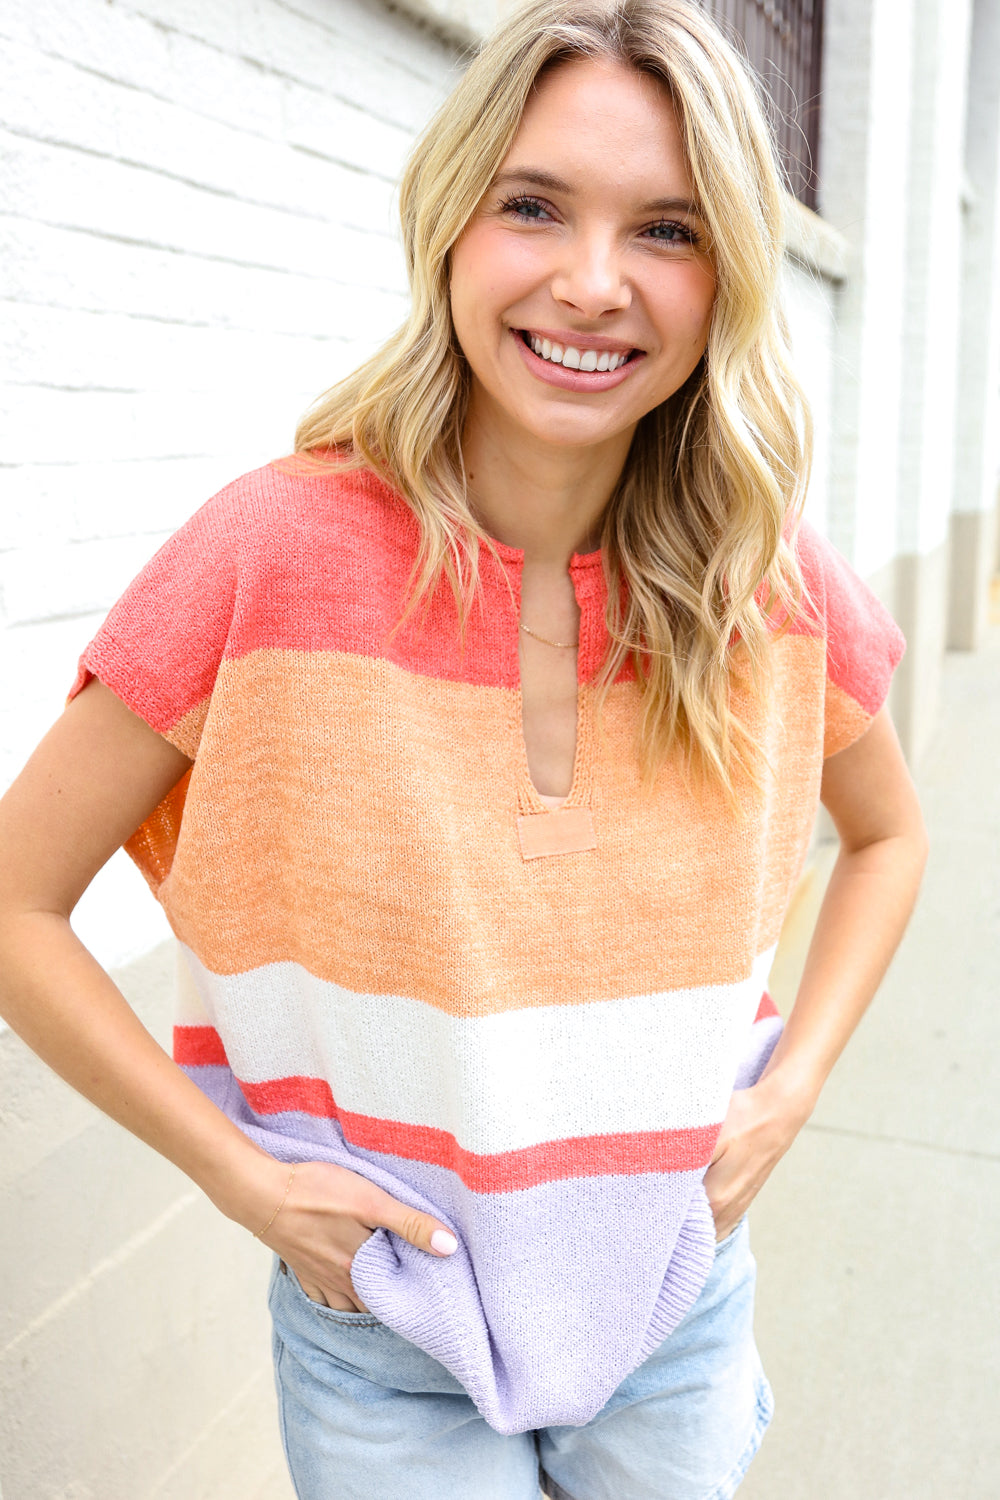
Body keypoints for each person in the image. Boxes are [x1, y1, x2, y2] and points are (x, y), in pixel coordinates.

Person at [0, 2, 928, 1497]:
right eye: (534, 206)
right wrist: (245, 1181)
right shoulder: (270, 553)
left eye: (669, 230)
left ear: (730, 275)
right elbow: (16, 901)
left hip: (675, 1299)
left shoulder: (762, 574)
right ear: (449, 226)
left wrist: (790, 1090)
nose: (593, 282)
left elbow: (889, 834)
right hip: (388, 1325)